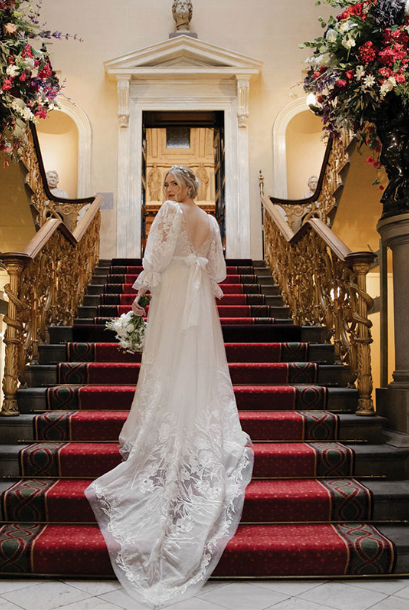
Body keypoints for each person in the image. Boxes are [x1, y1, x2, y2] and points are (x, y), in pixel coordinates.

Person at [84, 165, 254, 608]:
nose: (166, 190)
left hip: (177, 293)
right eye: (164, 185)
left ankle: (163, 426)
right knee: (192, 362)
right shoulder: (212, 221)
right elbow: (217, 271)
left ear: (187, 187)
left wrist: (139, 299)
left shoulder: (169, 214)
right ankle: (191, 419)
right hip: (196, 295)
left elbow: (154, 262)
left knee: (165, 363)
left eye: (172, 183)